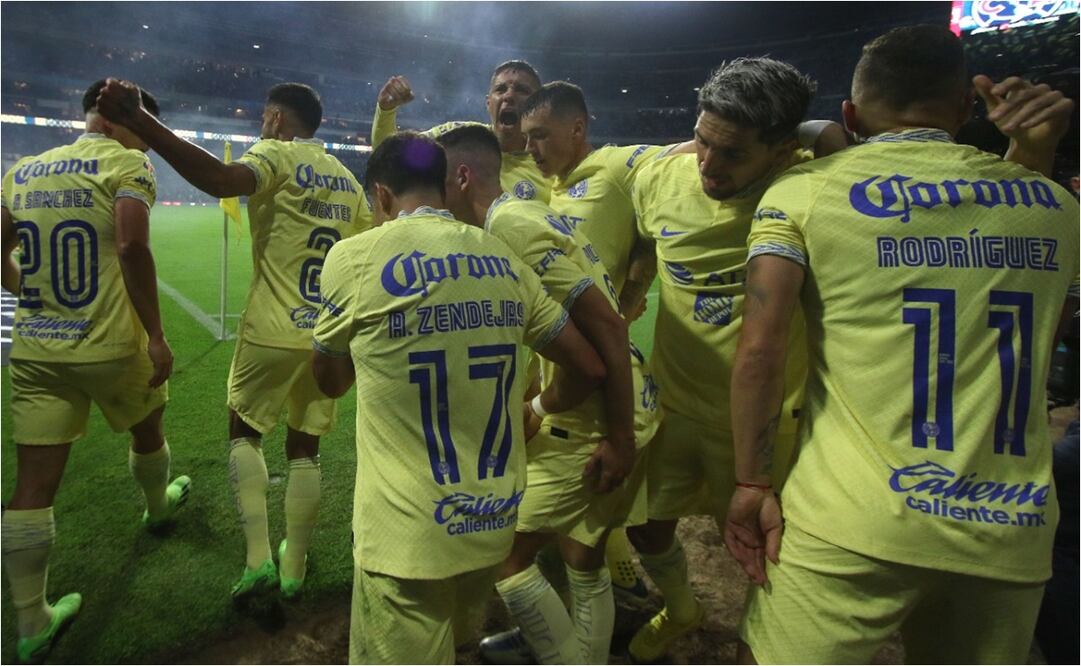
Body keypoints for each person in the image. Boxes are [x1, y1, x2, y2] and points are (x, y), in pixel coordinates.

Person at [726, 25, 1079, 663]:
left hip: (850, 517)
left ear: (851, 114)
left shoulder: (805, 193)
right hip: (1009, 527)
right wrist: (1035, 153)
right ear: (965, 107)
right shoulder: (1055, 205)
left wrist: (752, 483)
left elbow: (759, 353)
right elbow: (1035, 331)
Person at [310, 131, 607, 664]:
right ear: (443, 188)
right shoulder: (502, 257)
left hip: (407, 536)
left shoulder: (355, 258)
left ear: (380, 195)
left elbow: (330, 383)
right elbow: (588, 365)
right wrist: (536, 410)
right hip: (493, 523)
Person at [95, 78, 371, 600]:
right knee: (305, 448)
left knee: (245, 432)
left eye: (265, 119)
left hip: (270, 327)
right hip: (325, 335)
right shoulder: (346, 180)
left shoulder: (274, 154)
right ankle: (295, 565)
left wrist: (141, 120)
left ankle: (257, 559)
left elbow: (221, 179)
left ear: (275, 119)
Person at [623, 57, 822, 663]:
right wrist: (636, 279)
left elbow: (855, 145)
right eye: (703, 141)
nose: (708, 164)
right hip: (674, 408)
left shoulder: (816, 187)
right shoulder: (662, 176)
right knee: (644, 527)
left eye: (732, 154)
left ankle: (759, 645)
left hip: (769, 424)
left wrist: (825, 134)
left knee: (774, 551)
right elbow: (639, 231)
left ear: (784, 149)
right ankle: (683, 609)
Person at [437, 124, 658, 664]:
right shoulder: (521, 214)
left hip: (596, 420)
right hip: (631, 402)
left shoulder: (510, 227)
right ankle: (584, 653)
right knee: (582, 552)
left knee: (507, 555)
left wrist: (613, 434)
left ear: (461, 177)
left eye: (432, 178)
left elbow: (606, 327)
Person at [0, 80, 190, 663]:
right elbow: (132, 248)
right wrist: (156, 336)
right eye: (144, 133)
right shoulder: (128, 164)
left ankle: (32, 621)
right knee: (148, 425)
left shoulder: (24, 170)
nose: (149, 149)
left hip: (37, 351)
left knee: (33, 482)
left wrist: (28, 293)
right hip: (110, 344)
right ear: (118, 121)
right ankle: (158, 508)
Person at [372, 60, 551, 202]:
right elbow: (389, 159)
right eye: (500, 89)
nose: (509, 96)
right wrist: (386, 111)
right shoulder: (455, 136)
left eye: (522, 90)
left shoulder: (552, 168)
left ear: (538, 106)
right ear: (489, 103)